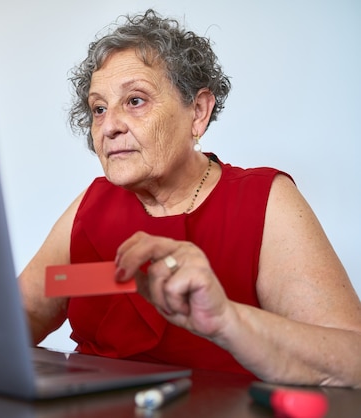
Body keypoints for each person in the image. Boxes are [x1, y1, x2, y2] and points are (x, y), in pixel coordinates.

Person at [18, 9, 361, 387]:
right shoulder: (91, 207)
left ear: (198, 111)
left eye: (135, 100)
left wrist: (228, 320)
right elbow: (21, 316)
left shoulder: (264, 201)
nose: (110, 126)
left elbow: (352, 361)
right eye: (99, 108)